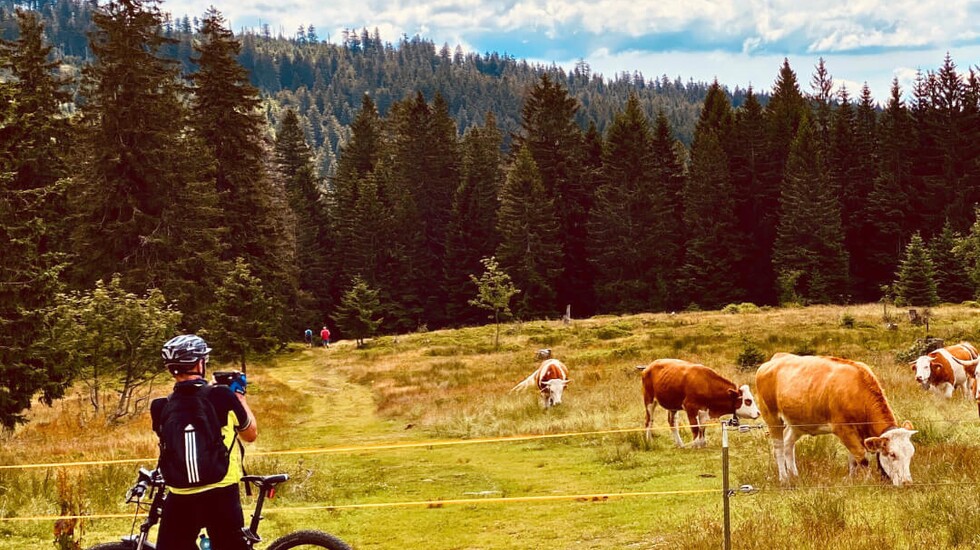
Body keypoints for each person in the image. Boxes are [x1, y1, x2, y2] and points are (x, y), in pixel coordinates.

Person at [151, 334, 257, 549]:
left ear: (171, 369)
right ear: (200, 363)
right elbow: (250, 434)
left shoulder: (160, 406)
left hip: (180, 494)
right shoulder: (222, 396)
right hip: (221, 489)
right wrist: (239, 398)